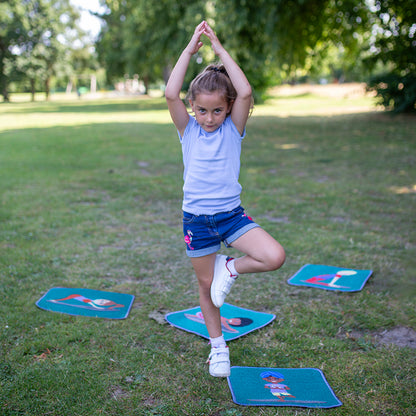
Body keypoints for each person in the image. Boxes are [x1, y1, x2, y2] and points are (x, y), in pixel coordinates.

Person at [165, 21, 285, 378]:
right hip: (197, 221)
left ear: (228, 108)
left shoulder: (234, 128)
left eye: (217, 110)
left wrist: (218, 48)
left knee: (274, 256)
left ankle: (229, 267)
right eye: (202, 110)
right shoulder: (187, 130)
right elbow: (171, 94)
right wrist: (190, 50)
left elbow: (245, 91)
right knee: (208, 289)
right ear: (192, 108)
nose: (209, 118)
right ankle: (218, 348)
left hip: (231, 217)